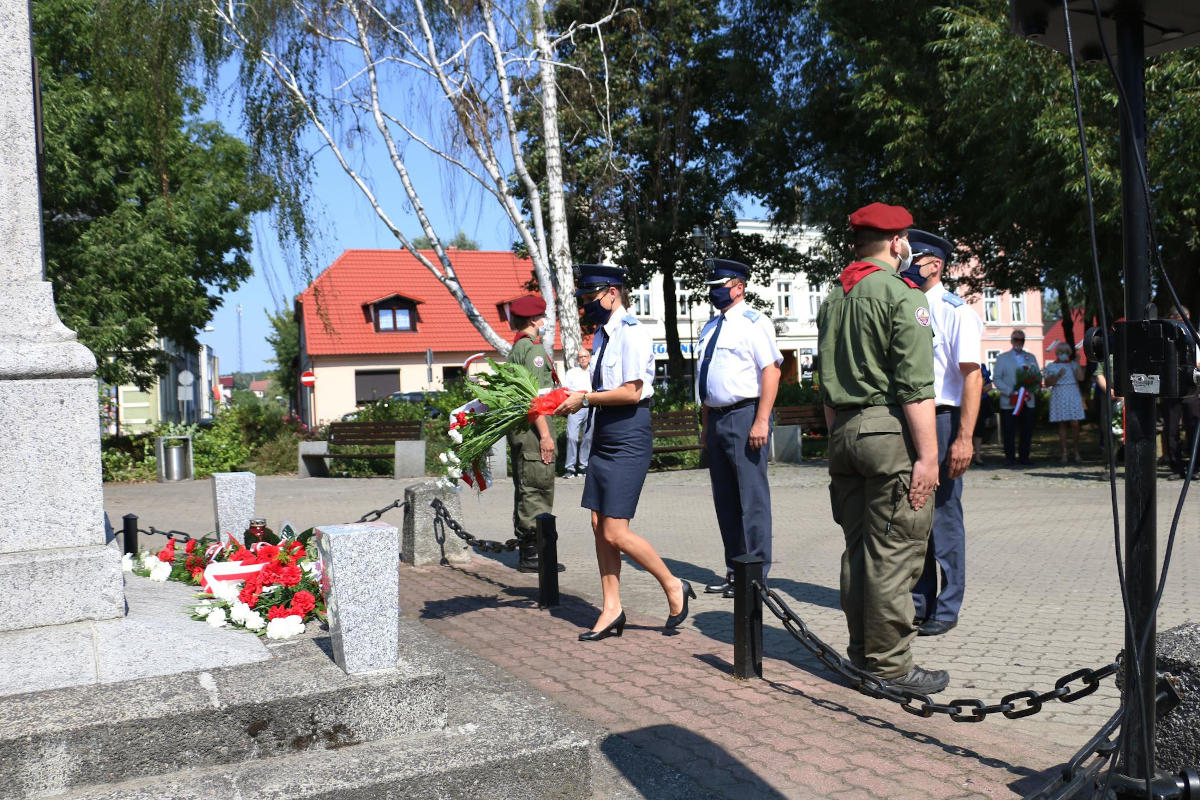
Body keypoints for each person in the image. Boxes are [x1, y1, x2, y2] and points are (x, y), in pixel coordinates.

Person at [816, 202, 947, 695]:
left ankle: (861, 657)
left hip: (844, 435)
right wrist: (928, 458)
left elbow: (826, 388)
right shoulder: (900, 294)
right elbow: (915, 387)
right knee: (894, 553)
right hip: (887, 436)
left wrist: (839, 436)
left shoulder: (834, 298)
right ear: (897, 243)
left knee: (859, 553)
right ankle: (890, 666)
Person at [554, 264, 694, 640]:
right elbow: (597, 385)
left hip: (629, 432)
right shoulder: (601, 335)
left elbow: (632, 391)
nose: (587, 305)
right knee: (599, 525)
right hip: (605, 432)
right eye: (583, 298)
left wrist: (584, 400)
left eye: (591, 297)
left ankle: (673, 584)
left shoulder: (633, 333)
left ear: (612, 292)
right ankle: (612, 608)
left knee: (616, 531)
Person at [901, 230, 982, 638]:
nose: (903, 263)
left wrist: (964, 438)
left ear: (934, 264)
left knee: (945, 517)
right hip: (911, 418)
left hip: (943, 416)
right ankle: (920, 600)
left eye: (912, 257)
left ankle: (947, 606)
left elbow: (971, 376)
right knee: (916, 512)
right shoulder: (905, 305)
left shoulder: (955, 311)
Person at [695, 258, 783, 598]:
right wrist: (706, 425)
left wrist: (762, 419)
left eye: (720, 287)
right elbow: (707, 380)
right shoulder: (709, 328)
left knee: (752, 498)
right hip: (716, 418)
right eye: (712, 289)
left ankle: (756, 574)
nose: (715, 294)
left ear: (739, 287)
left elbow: (771, 371)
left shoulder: (753, 322)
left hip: (745, 415)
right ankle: (735, 571)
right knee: (726, 500)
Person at [505, 294, 557, 573]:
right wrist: (546, 435)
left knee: (528, 485)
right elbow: (532, 398)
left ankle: (532, 550)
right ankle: (533, 554)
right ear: (536, 320)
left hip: (524, 428)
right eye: (543, 317)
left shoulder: (518, 348)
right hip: (535, 428)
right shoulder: (533, 351)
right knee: (537, 486)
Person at [992, 330, 1041, 465]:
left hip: (1027, 400)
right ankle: (1010, 457)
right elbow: (997, 378)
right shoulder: (1003, 358)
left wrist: (1032, 388)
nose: (1019, 342)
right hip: (1009, 400)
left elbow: (1037, 376)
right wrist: (1010, 391)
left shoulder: (1031, 357)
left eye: (1022, 340)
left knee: (1027, 430)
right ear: (1012, 341)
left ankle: (1024, 456)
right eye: (1016, 339)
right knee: (1009, 430)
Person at [1043, 342, 1086, 462]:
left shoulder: (1072, 364)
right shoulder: (1051, 366)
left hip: (1072, 392)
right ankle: (1065, 452)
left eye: (1065, 352)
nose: (1063, 354)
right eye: (1060, 352)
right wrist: (1057, 376)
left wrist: (1077, 362)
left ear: (1069, 353)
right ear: (1057, 353)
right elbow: (1047, 383)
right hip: (1059, 393)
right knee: (1062, 423)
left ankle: (1077, 452)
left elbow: (1081, 378)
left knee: (1075, 423)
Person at [562, 351, 593, 477]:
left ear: (589, 358)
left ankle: (583, 467)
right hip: (575, 406)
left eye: (585, 356)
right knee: (571, 436)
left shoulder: (594, 371)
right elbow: (565, 389)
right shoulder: (572, 373)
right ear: (578, 359)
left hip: (591, 405)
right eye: (580, 357)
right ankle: (570, 468)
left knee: (588, 437)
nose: (583, 359)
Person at [971, 364, 995, 466]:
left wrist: (984, 387)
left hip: (981, 402)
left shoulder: (982, 367)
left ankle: (977, 456)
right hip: (965, 401)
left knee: (979, 429)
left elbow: (989, 385)